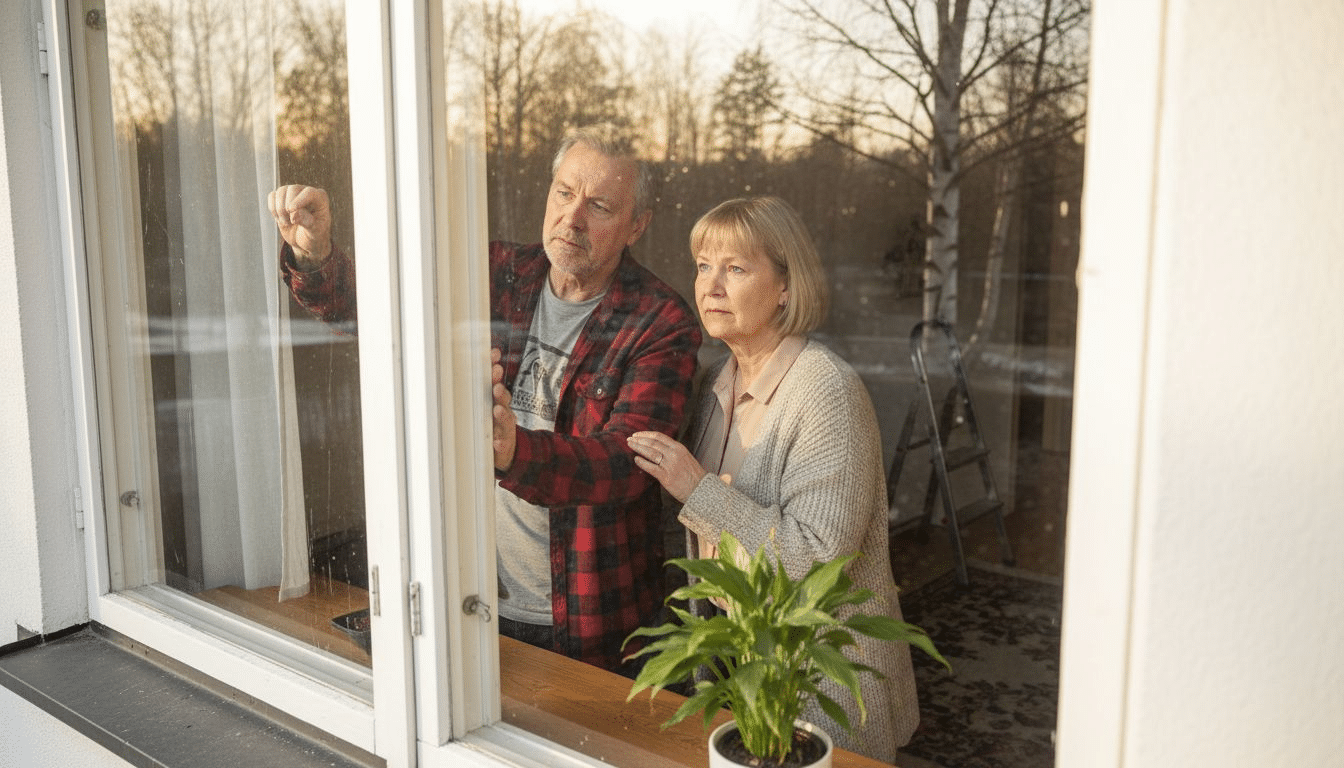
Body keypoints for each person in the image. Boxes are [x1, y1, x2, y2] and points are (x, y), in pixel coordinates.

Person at [268, 125, 702, 674]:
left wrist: (515, 452)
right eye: (564, 193)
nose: (572, 218)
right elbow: (385, 316)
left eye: (599, 206)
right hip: (465, 599)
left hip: (584, 625)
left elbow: (627, 464)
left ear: (636, 224)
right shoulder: (499, 271)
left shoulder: (660, 322)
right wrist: (318, 256)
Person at [626, 196, 919, 761]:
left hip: (825, 698)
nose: (711, 286)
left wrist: (696, 488)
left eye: (735, 268)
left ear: (786, 286)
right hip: (742, 693)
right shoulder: (715, 383)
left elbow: (817, 567)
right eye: (703, 266)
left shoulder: (825, 391)